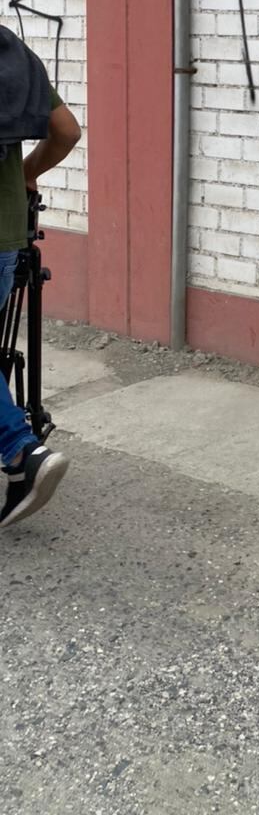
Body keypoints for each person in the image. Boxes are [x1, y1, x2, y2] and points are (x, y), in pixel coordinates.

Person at [0, 28, 81, 528]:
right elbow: (66, 130)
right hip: (6, 235)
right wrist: (27, 171)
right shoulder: (9, 53)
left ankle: (19, 452)